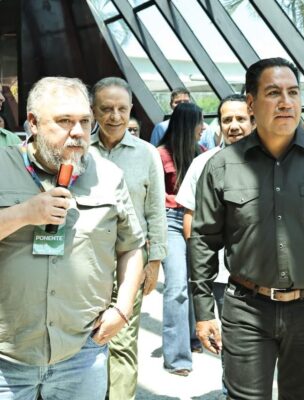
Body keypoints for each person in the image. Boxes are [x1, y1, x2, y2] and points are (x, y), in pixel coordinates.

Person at [188, 57, 304, 399]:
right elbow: (203, 240)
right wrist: (203, 311)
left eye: (293, 92)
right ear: (251, 103)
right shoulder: (222, 167)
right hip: (246, 308)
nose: (286, 102)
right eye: (274, 93)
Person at [0, 77, 145, 399]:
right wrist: (23, 214)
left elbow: (132, 247)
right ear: (33, 123)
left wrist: (122, 309)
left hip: (82, 351)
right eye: (64, 121)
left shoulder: (108, 176)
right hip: (7, 356)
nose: (78, 132)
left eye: (84, 121)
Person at [90, 77, 167, 400]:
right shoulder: (80, 151)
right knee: (86, 341)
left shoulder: (146, 154)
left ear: (131, 109)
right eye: (106, 108)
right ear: (93, 110)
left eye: (122, 109)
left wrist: (155, 261)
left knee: (122, 341)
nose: (115, 116)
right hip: (86, 262)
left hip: (131, 262)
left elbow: (156, 211)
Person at [176, 94, 253, 393]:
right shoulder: (202, 164)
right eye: (227, 120)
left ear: (253, 120)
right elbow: (190, 218)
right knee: (232, 342)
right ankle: (231, 392)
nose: (234, 126)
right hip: (222, 275)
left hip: (265, 275)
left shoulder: (272, 161)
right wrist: (201, 267)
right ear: (219, 125)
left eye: (240, 119)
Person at [156, 102, 205, 376]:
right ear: (189, 125)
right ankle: (177, 358)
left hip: (196, 219)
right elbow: (154, 194)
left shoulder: (202, 153)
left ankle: (193, 337)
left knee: (196, 281)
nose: (204, 127)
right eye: (200, 122)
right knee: (176, 286)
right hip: (170, 220)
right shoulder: (160, 154)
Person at [150, 87, 218, 149]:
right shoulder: (160, 128)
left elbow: (211, 152)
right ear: (171, 105)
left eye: (186, 102)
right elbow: (154, 153)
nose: (182, 105)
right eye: (177, 102)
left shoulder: (205, 128)